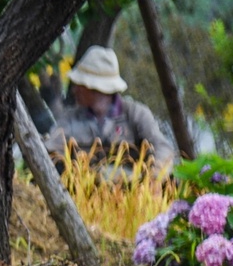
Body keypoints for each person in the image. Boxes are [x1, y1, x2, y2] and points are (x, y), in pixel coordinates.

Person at [46, 45, 175, 172]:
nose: (74, 90)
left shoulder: (135, 114)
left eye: (81, 85)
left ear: (96, 89)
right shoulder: (69, 119)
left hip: (133, 189)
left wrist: (155, 176)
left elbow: (163, 148)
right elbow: (50, 150)